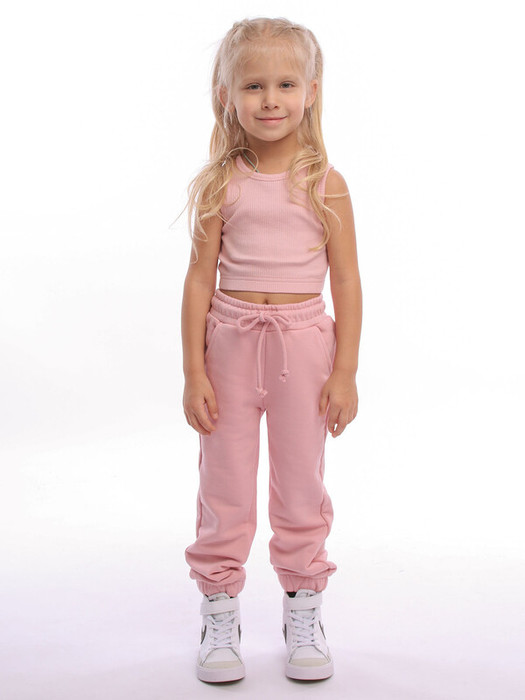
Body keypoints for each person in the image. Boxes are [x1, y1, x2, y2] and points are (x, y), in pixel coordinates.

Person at [180, 16, 362, 683]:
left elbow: (346, 279)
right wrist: (193, 370)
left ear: (311, 92)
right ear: (226, 95)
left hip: (304, 349)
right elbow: (198, 280)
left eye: (286, 84)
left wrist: (344, 371)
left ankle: (303, 607)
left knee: (301, 484)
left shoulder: (325, 182)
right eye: (253, 85)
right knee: (223, 485)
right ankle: (219, 612)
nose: (270, 99)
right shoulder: (218, 183)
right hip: (229, 346)